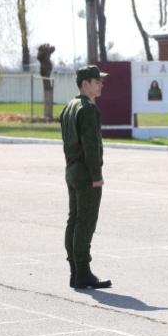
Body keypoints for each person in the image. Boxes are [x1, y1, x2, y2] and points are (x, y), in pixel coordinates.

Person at [60, 65, 112, 289]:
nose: (101, 85)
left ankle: (75, 272)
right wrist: (96, 175)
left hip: (72, 170)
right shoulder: (88, 109)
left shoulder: (69, 107)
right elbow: (91, 146)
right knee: (86, 220)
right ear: (85, 84)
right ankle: (83, 271)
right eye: (97, 81)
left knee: (74, 219)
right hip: (86, 174)